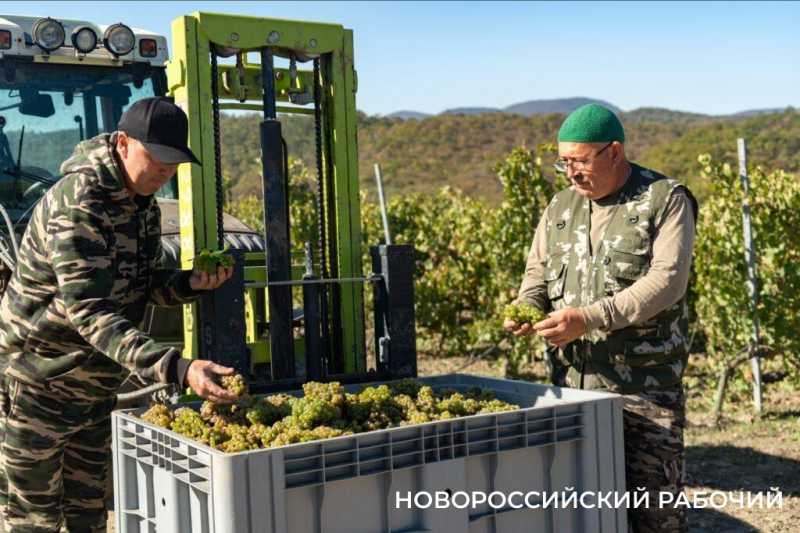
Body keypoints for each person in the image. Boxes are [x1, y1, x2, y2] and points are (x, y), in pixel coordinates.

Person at [0, 97, 238, 532]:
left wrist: (187, 284)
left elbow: (135, 286)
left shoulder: (139, 202)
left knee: (88, 513)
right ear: (124, 143)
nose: (166, 171)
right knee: (35, 519)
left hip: (93, 385)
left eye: (174, 163)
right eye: (158, 159)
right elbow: (90, 311)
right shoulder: (80, 204)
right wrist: (176, 368)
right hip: (41, 382)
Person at [504, 103, 697, 532]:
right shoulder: (560, 207)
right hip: (570, 388)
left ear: (614, 152)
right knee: (583, 511)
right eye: (564, 162)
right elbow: (537, 272)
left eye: (580, 161)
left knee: (654, 514)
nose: (571, 173)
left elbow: (667, 281)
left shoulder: (665, 200)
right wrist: (526, 306)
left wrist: (588, 318)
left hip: (643, 390)